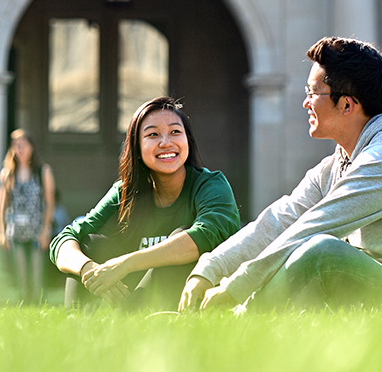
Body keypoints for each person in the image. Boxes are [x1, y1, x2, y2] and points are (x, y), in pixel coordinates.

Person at [179, 37, 382, 314]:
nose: (305, 102)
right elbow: (280, 220)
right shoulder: (340, 162)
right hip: (380, 287)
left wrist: (233, 290)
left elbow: (311, 228)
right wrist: (209, 269)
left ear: (347, 104)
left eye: (312, 93)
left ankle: (236, 325)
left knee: (322, 253)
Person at [51, 97, 241, 311]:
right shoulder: (125, 192)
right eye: (153, 134)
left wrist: (125, 264)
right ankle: (79, 327)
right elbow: (65, 239)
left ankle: (134, 321)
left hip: (190, 299)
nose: (166, 142)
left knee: (182, 237)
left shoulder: (211, 184)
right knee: (90, 243)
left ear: (188, 140)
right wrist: (88, 270)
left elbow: (207, 235)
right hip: (133, 294)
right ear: (137, 147)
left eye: (175, 132)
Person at [0, 129, 56, 304]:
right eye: (16, 145)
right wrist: (1, 231)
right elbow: (2, 204)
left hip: (37, 229)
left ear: (31, 147)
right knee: (20, 275)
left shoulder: (42, 172)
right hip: (16, 231)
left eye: (23, 145)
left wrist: (46, 229)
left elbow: (49, 202)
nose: (19, 149)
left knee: (37, 276)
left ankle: (38, 307)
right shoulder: (8, 174)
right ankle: (24, 306)